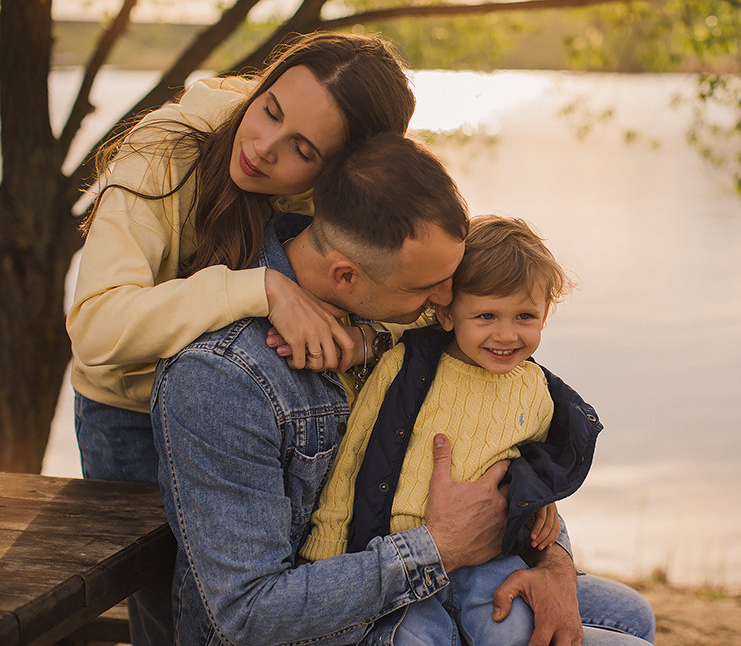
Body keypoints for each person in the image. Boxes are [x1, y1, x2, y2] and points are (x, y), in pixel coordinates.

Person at [151, 134, 655, 644]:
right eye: (426, 289)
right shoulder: (225, 379)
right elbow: (248, 614)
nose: (445, 301)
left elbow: (495, 430)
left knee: (631, 615)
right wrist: (440, 547)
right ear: (346, 276)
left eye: (451, 280)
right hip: (335, 614)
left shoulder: (390, 310)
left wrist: (554, 559)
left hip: (440, 566)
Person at [66, 32, 415, 643]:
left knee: (256, 605)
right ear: (266, 84)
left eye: (301, 149)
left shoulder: (346, 193)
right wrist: (261, 289)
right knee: (167, 617)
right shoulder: (163, 151)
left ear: (341, 168)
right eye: (270, 110)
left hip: (264, 416)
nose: (262, 147)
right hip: (130, 417)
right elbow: (97, 327)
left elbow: (423, 280)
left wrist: (368, 333)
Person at [300, 214, 596, 645]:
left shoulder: (535, 388)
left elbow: (533, 459)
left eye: (525, 316)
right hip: (404, 556)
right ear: (447, 312)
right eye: (487, 315)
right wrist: (326, 547)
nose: (507, 334)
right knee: (416, 639)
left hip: (491, 558)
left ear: (546, 314)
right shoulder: (405, 369)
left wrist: (539, 500)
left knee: (513, 632)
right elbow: (353, 458)